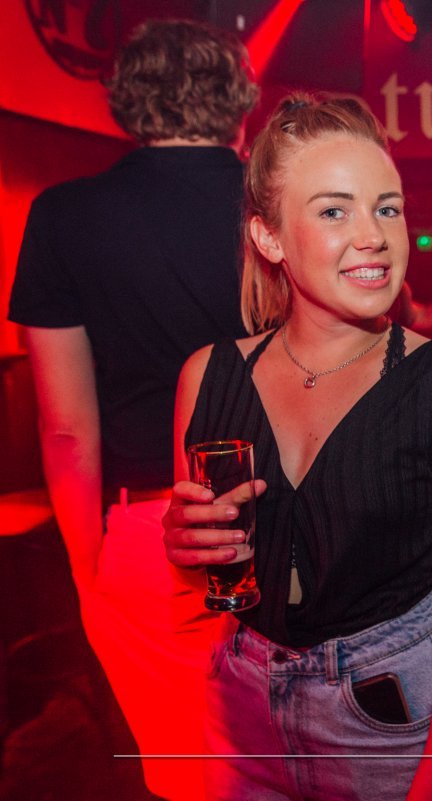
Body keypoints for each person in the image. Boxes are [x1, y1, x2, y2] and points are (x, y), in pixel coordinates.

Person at [161, 94, 432, 801]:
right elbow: (211, 578)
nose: (373, 235)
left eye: (387, 208)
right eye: (333, 211)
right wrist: (182, 545)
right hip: (242, 710)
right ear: (269, 238)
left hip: (395, 716)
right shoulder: (208, 376)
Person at [6, 19, 258, 800]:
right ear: (239, 102)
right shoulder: (287, 203)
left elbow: (65, 426)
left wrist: (88, 567)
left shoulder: (64, 214)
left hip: (150, 528)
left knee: (191, 776)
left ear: (124, 101)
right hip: (297, 518)